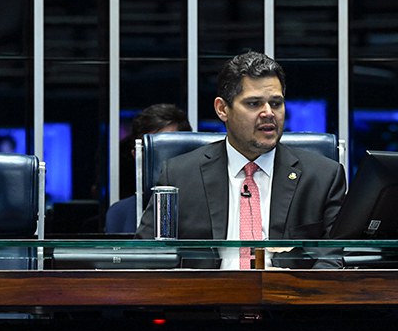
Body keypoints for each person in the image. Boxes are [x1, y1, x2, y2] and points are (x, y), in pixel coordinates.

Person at [134, 51, 346, 269]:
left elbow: (333, 260)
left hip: (289, 298)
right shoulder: (181, 175)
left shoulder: (322, 177)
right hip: (206, 298)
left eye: (276, 103)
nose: (268, 113)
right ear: (222, 109)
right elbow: (147, 257)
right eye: (254, 104)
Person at [105, 103, 192, 233]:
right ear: (136, 155)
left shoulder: (207, 210)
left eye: (167, 148)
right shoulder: (118, 214)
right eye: (153, 150)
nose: (161, 159)